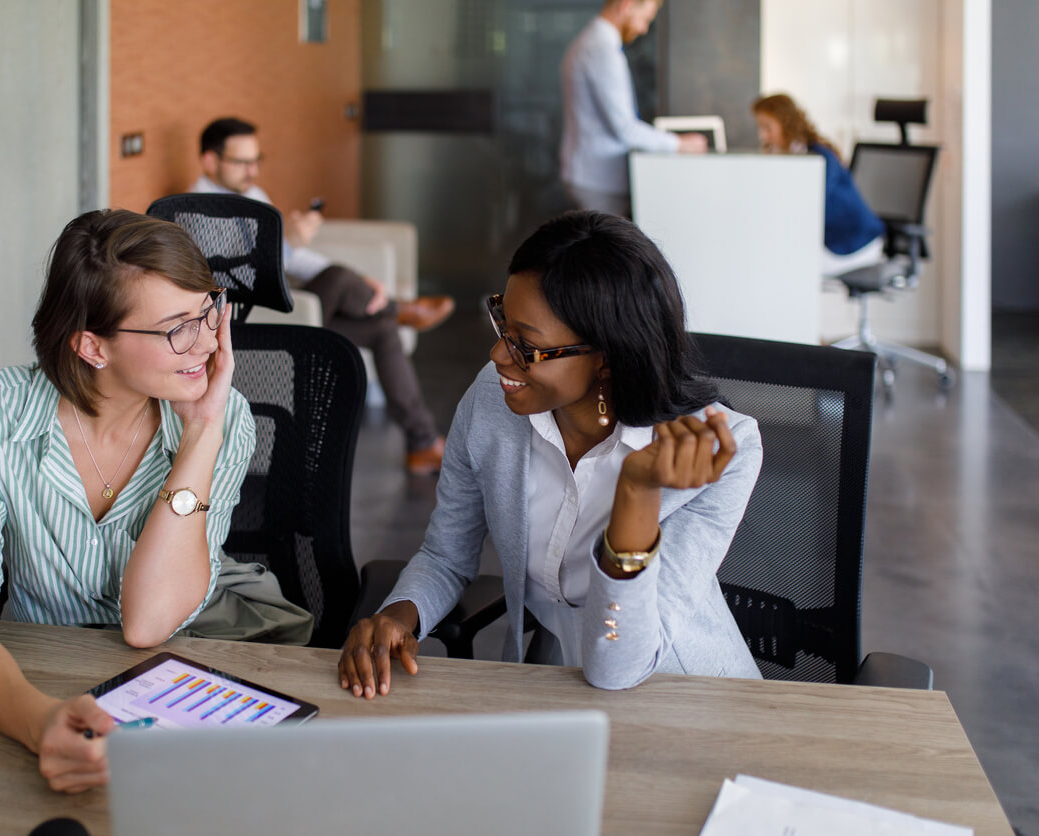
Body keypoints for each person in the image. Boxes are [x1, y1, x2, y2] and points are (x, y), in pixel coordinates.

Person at [0, 209, 309, 794]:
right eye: (178, 327)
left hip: (179, 687)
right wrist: (38, 718)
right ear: (92, 347)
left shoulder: (224, 419)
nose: (206, 342)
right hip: (34, 679)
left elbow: (149, 622)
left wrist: (200, 436)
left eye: (208, 311)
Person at [338, 210, 763, 698]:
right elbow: (447, 555)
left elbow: (618, 667)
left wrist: (636, 496)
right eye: (502, 322)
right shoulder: (491, 401)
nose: (499, 355)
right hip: (548, 682)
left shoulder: (719, 451)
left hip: (678, 692)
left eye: (526, 346)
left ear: (606, 356)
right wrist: (400, 613)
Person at [190, 117, 451, 475]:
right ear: (210, 161)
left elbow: (294, 260)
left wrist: (358, 277)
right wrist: (287, 244)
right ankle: (402, 309)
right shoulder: (196, 212)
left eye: (256, 160)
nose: (252, 170)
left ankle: (422, 442)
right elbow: (228, 282)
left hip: (289, 305)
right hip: (250, 317)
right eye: (241, 162)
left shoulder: (253, 196)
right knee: (347, 286)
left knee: (382, 328)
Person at [560, 0, 707, 219]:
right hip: (599, 177)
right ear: (626, 6)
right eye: (645, 19)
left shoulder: (590, 41)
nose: (643, 29)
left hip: (589, 172)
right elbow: (625, 129)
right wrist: (679, 144)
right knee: (606, 251)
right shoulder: (602, 50)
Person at [751, 93, 887, 276]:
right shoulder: (787, 157)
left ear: (786, 123)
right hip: (830, 240)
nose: (763, 136)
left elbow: (807, 204)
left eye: (767, 128)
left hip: (856, 242)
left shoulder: (820, 157)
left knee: (787, 269)